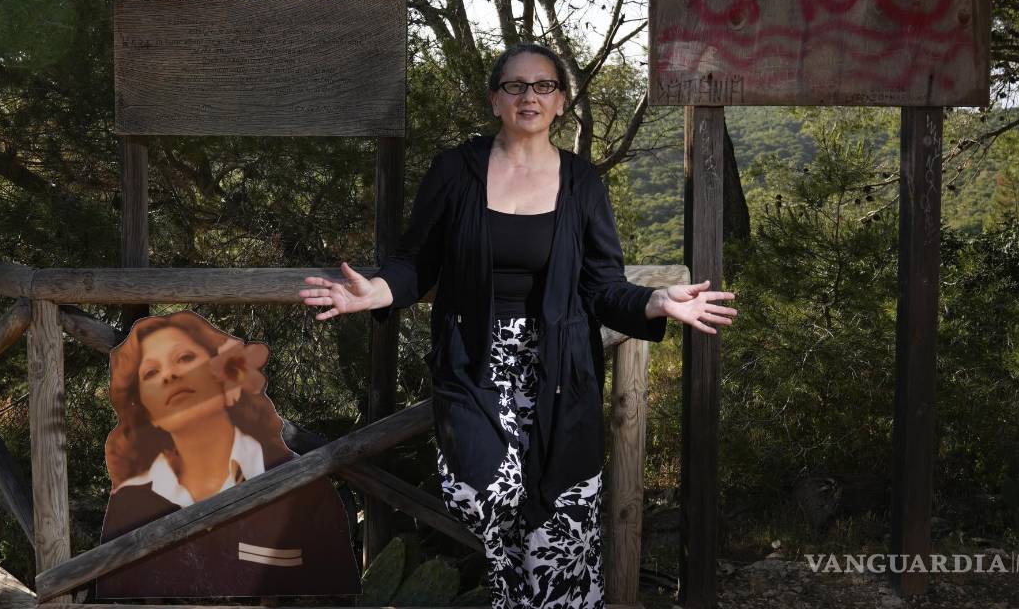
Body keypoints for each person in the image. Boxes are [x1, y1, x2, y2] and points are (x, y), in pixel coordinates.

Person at [299, 43, 737, 608]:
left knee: (559, 528)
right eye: (515, 86)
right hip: (475, 362)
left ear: (560, 104)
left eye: (543, 86)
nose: (529, 96)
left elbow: (602, 287)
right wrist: (377, 291)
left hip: (560, 368)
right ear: (494, 99)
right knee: (488, 492)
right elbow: (416, 261)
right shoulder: (456, 172)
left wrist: (655, 301)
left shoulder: (581, 184)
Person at [96, 311, 360, 599]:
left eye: (184, 358)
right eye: (151, 373)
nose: (169, 375)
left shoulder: (306, 491)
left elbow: (336, 598)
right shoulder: (129, 504)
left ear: (225, 375)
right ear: (145, 410)